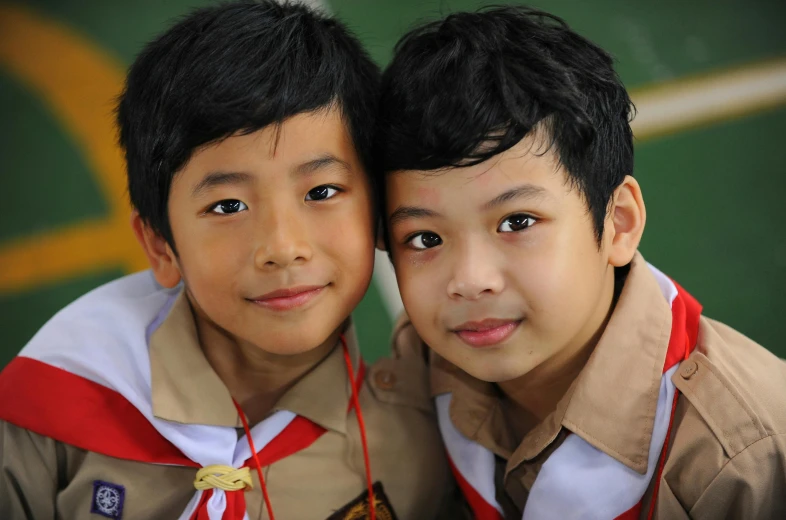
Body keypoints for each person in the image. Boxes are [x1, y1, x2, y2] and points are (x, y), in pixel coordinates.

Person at [0, 2, 454, 519]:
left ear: (378, 211)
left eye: (323, 190)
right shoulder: (48, 416)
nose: (283, 248)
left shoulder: (430, 435)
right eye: (227, 206)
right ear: (160, 246)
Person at [375, 5, 786, 519]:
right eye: (425, 237)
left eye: (517, 222)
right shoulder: (427, 358)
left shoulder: (747, 463)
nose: (469, 281)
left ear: (619, 223)